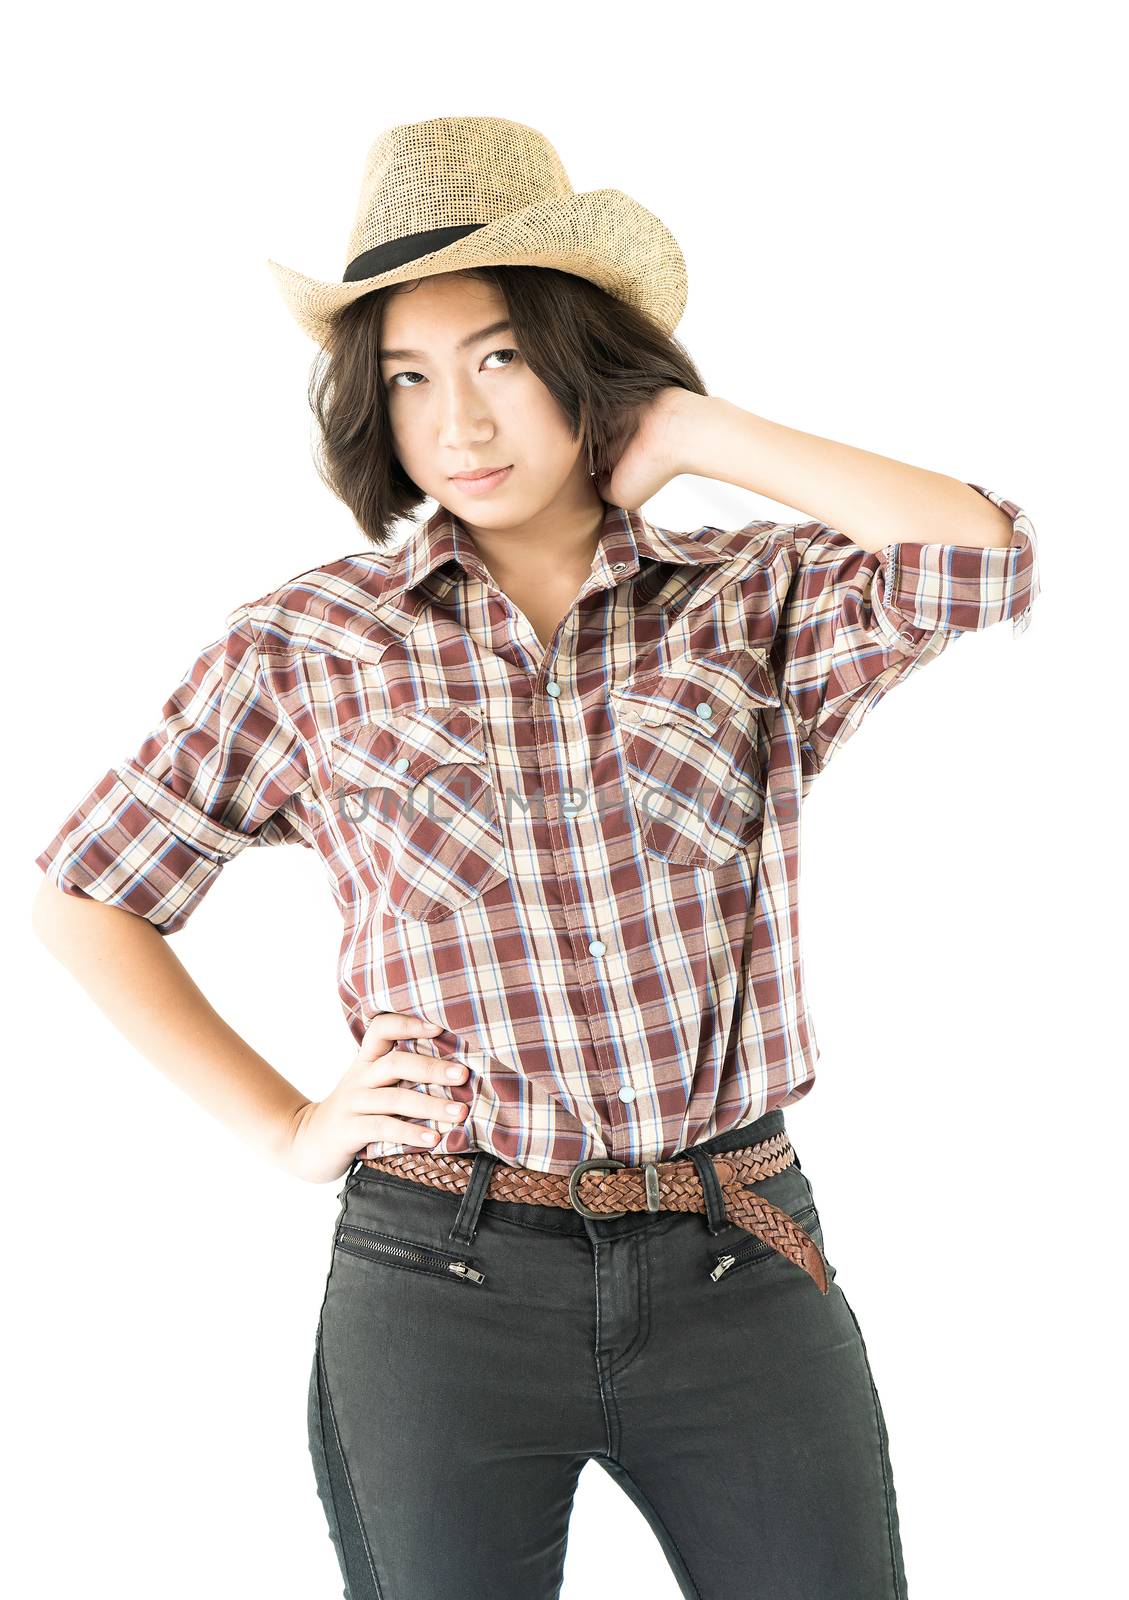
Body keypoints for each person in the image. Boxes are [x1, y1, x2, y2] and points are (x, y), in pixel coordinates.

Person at [31, 115, 1040, 1600]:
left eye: (500, 358)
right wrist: (287, 1128)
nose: (460, 425)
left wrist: (694, 430)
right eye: (410, 378)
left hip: (735, 1253)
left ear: (586, 356)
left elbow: (985, 561)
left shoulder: (742, 606)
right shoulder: (307, 644)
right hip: (438, 1280)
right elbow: (86, 894)